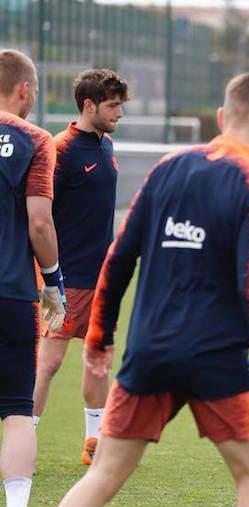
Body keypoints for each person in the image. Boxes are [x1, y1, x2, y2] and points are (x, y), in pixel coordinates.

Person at [0, 73, 249, 507]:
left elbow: (118, 258)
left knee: (103, 476)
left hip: (149, 354)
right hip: (218, 362)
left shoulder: (168, 168)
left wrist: (99, 341)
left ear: (221, 117)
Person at [32, 69, 128, 465]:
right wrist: (47, 274)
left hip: (101, 279)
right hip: (66, 279)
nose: (119, 113)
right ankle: (23, 440)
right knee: (48, 363)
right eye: (113, 105)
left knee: (99, 361)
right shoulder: (62, 149)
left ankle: (94, 444)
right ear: (89, 105)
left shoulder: (105, 145)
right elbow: (37, 213)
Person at [0, 49, 66, 507]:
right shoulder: (35, 139)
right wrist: (53, 281)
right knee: (17, 411)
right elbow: (39, 222)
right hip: (11, 292)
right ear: (24, 90)